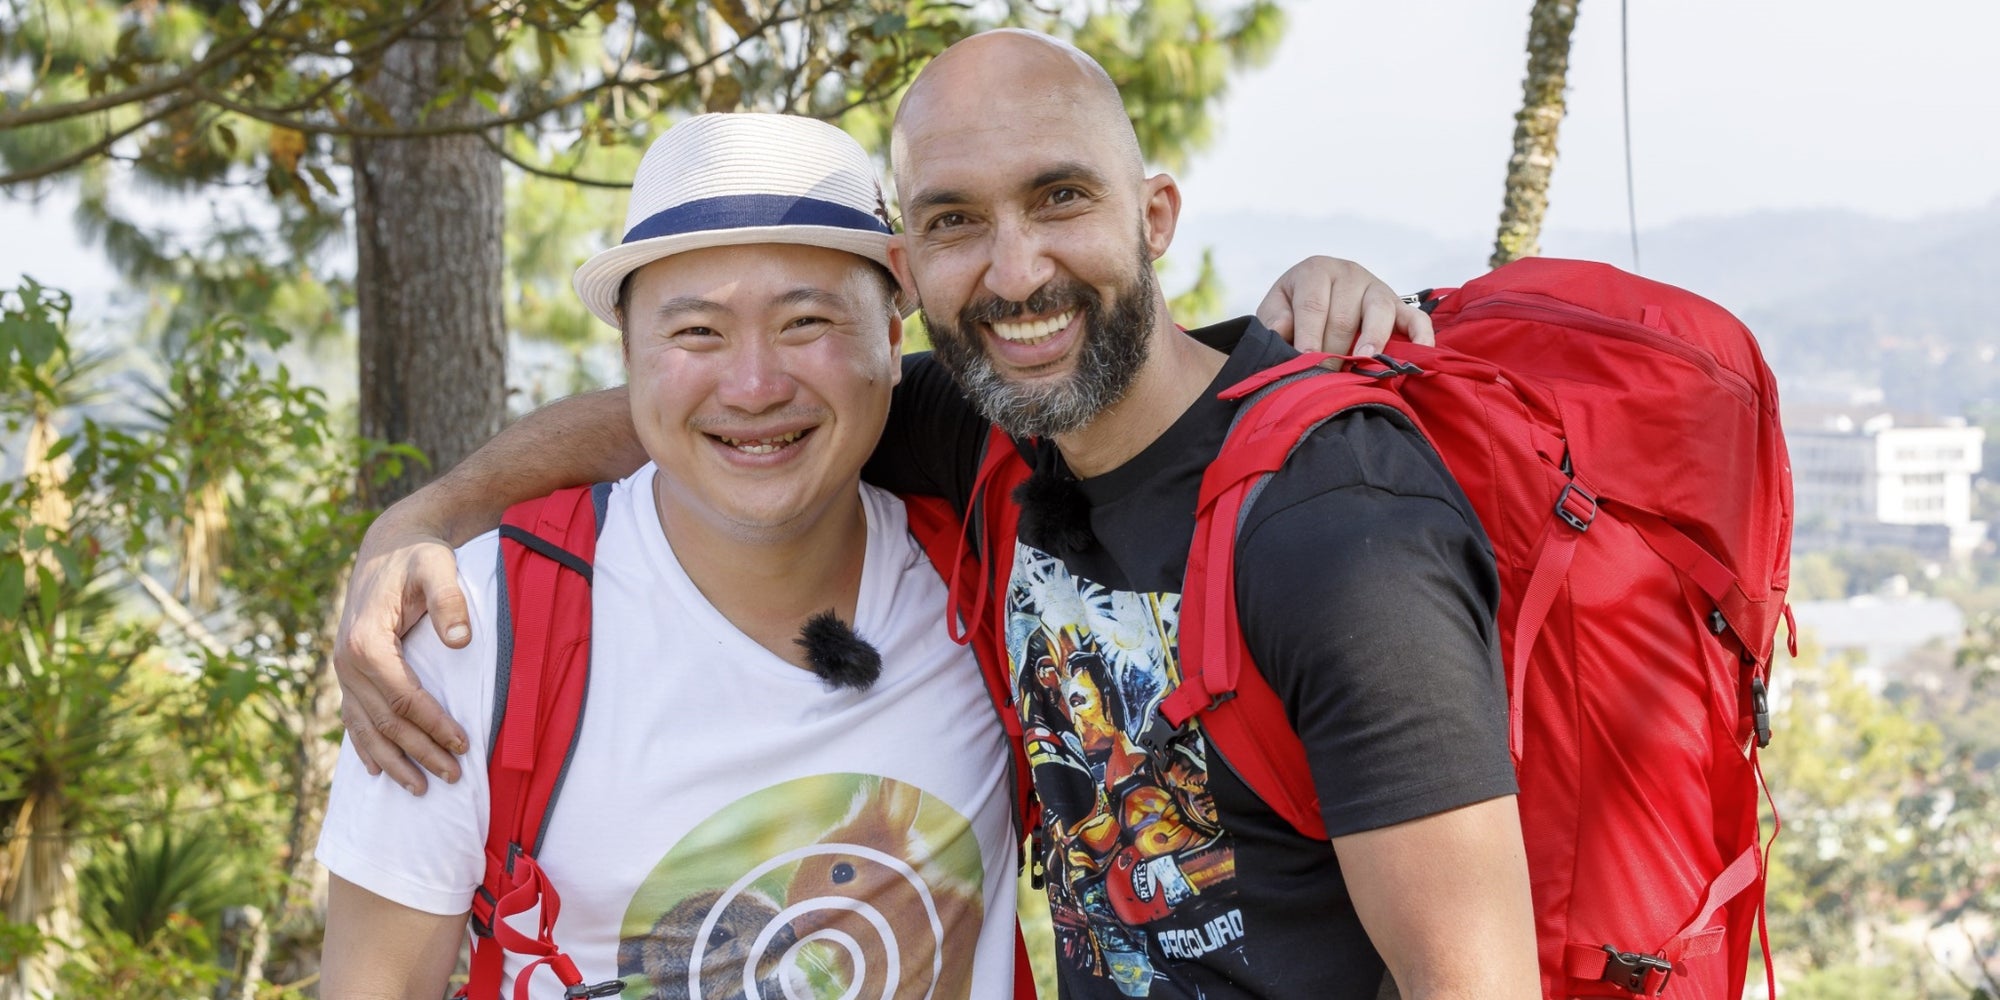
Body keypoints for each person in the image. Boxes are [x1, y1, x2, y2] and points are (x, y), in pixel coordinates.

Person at [332, 31, 1533, 998]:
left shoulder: (1332, 523)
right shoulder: (983, 436)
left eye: (1059, 197)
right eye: (957, 217)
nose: (1014, 273)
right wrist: (430, 512)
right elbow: (710, 414)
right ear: (918, 271)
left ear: (1155, 215)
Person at [317, 114, 1025, 999]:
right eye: (696, 333)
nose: (755, 384)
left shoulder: (993, 571)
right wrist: (429, 515)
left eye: (806, 321)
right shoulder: (480, 630)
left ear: (891, 337)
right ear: (628, 354)